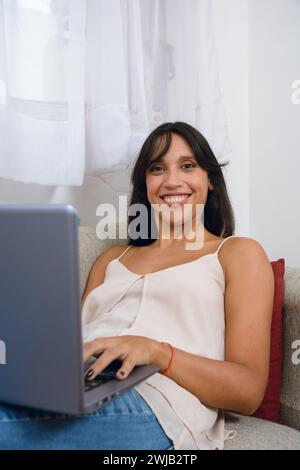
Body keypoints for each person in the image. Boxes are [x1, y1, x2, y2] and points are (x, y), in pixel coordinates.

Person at [0, 122, 274, 450]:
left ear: (210, 180)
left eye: (187, 166)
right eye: (157, 168)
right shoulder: (111, 259)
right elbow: (73, 342)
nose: (172, 181)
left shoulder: (237, 253)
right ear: (145, 185)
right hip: (79, 384)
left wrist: (157, 352)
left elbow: (247, 392)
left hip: (158, 399)